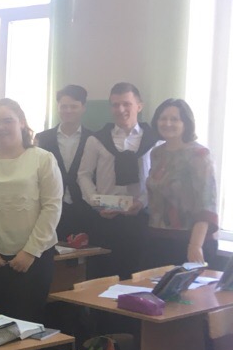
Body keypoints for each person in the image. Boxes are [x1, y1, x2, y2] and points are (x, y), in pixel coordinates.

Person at [0, 99, 63, 324]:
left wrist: (30, 252)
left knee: (27, 324)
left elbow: (52, 207)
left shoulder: (43, 159)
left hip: (34, 257)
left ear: (21, 122)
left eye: (7, 121)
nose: (0, 127)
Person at [77, 83, 157, 279]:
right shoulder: (97, 140)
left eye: (126, 104)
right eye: (115, 105)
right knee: (101, 279)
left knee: (136, 279)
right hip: (105, 220)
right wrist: (96, 202)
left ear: (139, 106)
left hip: (141, 220)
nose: (120, 109)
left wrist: (142, 202)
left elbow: (158, 180)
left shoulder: (155, 141)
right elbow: (84, 174)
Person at [145, 99, 218, 267]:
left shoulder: (199, 154)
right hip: (157, 238)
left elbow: (206, 205)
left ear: (186, 123)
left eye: (174, 119)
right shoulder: (157, 153)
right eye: (163, 118)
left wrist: (195, 245)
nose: (167, 123)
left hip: (191, 241)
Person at [35, 85, 94, 239]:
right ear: (58, 107)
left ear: (83, 108)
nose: (68, 111)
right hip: (50, 208)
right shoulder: (43, 138)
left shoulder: (93, 138)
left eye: (73, 106)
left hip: (84, 208)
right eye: (64, 106)